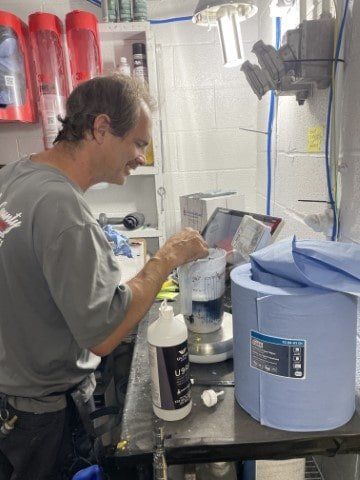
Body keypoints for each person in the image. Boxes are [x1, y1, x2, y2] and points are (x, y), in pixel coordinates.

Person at [0, 75, 208, 479]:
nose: (140, 158)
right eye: (138, 143)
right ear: (100, 128)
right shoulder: (63, 209)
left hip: (11, 400)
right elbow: (104, 332)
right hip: (44, 419)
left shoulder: (14, 176)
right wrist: (166, 257)